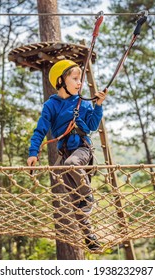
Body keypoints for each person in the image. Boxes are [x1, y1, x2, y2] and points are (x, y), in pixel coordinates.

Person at [27, 59, 107, 251]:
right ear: (61, 81)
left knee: (71, 165)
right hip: (66, 156)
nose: (80, 83)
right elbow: (40, 129)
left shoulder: (83, 103)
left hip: (82, 151)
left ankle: (88, 196)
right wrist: (33, 153)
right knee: (76, 201)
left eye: (80, 79)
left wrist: (98, 106)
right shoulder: (51, 106)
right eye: (75, 78)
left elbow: (93, 125)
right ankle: (89, 237)